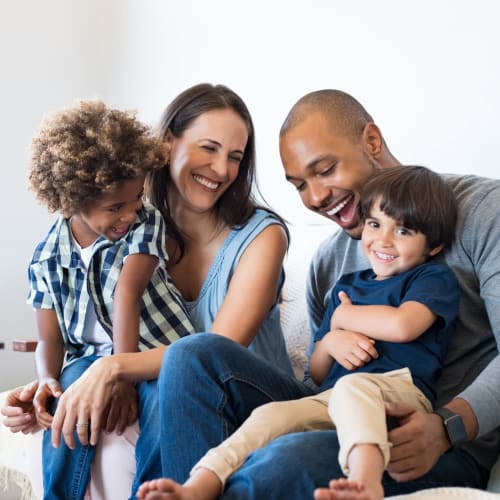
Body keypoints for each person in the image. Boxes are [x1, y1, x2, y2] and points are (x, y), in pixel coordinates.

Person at [138, 89, 500, 499]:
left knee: (279, 462)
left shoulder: (483, 212)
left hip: (428, 441)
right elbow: (319, 377)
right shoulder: (330, 262)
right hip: (339, 410)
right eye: (299, 186)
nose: (315, 198)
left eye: (325, 169)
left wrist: (449, 426)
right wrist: (331, 340)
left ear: (372, 142)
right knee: (193, 355)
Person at [1, 83, 294, 498]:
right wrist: (50, 384)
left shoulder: (260, 237)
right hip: (169, 385)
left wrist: (113, 368)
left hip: (246, 396)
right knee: (76, 393)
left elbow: (214, 351)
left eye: (235, 156)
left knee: (173, 375)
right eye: (209, 148)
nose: (223, 169)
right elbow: (85, 326)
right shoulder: (127, 226)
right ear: (167, 142)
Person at [26, 99, 194, 500]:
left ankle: (153, 493)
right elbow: (50, 339)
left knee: (160, 405)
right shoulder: (46, 257)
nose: (129, 212)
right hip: (87, 359)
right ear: (72, 200)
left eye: (136, 198)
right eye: (115, 207)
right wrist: (47, 378)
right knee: (68, 400)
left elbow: (127, 294)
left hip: (157, 350)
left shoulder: (144, 222)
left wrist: (121, 375)